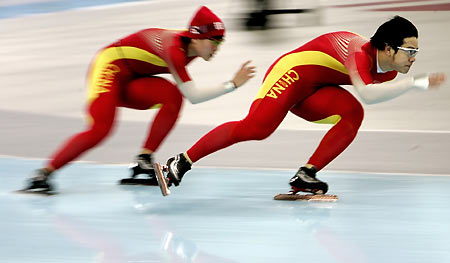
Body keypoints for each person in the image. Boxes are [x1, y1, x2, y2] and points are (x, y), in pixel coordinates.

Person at [165, 16, 446, 195]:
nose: (413, 58)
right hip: (291, 74)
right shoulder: (359, 53)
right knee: (256, 128)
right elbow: (369, 94)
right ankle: (181, 161)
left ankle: (306, 175)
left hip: (314, 89)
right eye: (410, 51)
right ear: (388, 48)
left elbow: (370, 95)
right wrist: (415, 84)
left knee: (352, 114)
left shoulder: (390, 71)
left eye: (416, 52)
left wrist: (409, 82)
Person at [23, 6, 256, 194]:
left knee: (172, 96)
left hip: (132, 77)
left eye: (220, 42)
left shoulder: (191, 50)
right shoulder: (176, 49)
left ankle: (143, 160)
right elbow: (193, 96)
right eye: (213, 41)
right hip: (110, 67)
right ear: (196, 37)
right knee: (101, 129)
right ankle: (43, 173)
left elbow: (184, 92)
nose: (217, 48)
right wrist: (232, 84)